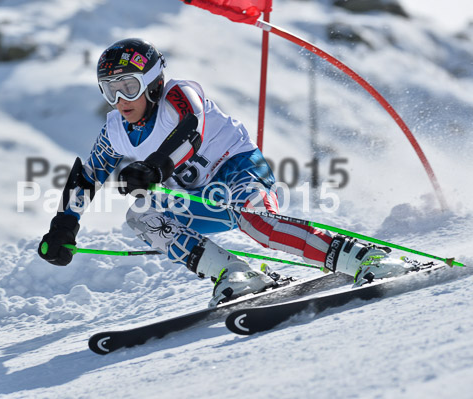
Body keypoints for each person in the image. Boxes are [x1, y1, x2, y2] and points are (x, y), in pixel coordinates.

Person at [38, 38, 409, 307]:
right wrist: (63, 225)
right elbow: (88, 176)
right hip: (200, 201)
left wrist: (155, 167)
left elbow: (191, 130)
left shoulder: (178, 96)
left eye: (129, 88)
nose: (121, 101)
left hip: (239, 172)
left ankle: (364, 257)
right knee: (143, 216)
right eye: (110, 92)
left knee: (257, 223)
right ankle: (235, 275)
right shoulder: (115, 130)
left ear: (152, 83)